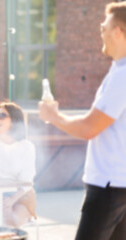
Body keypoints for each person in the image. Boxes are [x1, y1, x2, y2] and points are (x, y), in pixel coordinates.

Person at [38, 2, 126, 239]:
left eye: (104, 27)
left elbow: (89, 127)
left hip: (109, 187)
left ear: (118, 32)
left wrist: (53, 117)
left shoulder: (121, 77)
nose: (102, 31)